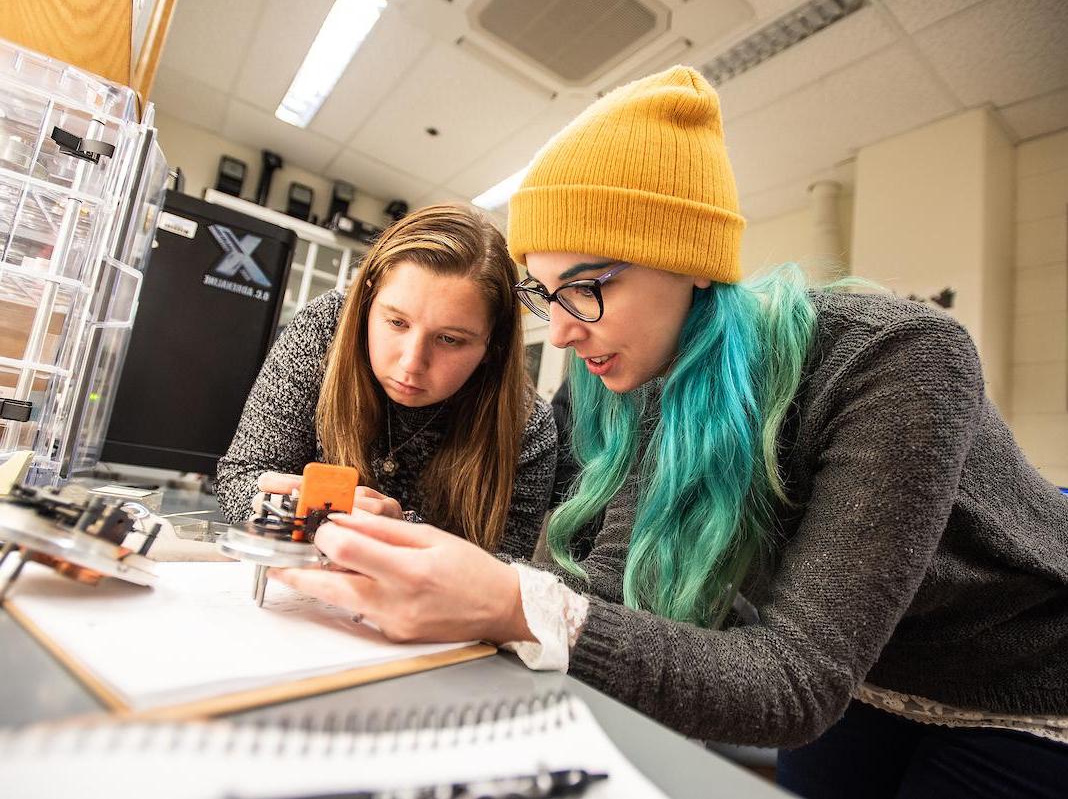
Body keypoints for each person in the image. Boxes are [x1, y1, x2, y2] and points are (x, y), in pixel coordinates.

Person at [270, 68, 1068, 797]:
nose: (566, 330)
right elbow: (604, 599)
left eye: (587, 287)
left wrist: (511, 602)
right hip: (862, 680)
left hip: (1017, 686)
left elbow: (793, 679)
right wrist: (433, 565)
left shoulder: (896, 357)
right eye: (548, 294)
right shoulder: (638, 376)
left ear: (689, 260)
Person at [216, 203, 556, 558]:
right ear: (367, 301)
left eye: (450, 339)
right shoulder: (324, 330)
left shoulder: (526, 424)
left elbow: (508, 572)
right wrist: (292, 512)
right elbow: (242, 475)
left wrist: (400, 533)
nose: (412, 363)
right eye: (396, 323)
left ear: (493, 345)